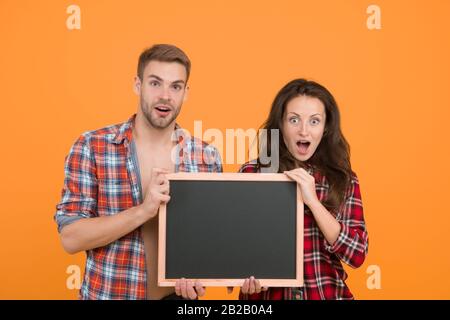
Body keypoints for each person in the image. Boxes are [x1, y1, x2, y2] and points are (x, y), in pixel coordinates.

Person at [55, 44, 222, 300]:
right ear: (137, 84)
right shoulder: (92, 146)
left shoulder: (206, 157)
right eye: (155, 83)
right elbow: (71, 238)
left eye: (175, 86)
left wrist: (204, 274)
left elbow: (211, 240)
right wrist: (144, 210)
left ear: (186, 93)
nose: (165, 95)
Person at [237, 79, 368, 300]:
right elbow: (234, 247)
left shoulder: (344, 180)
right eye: (294, 120)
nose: (304, 131)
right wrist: (243, 278)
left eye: (314, 121)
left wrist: (314, 203)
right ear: (281, 123)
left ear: (326, 128)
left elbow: (356, 254)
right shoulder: (252, 174)